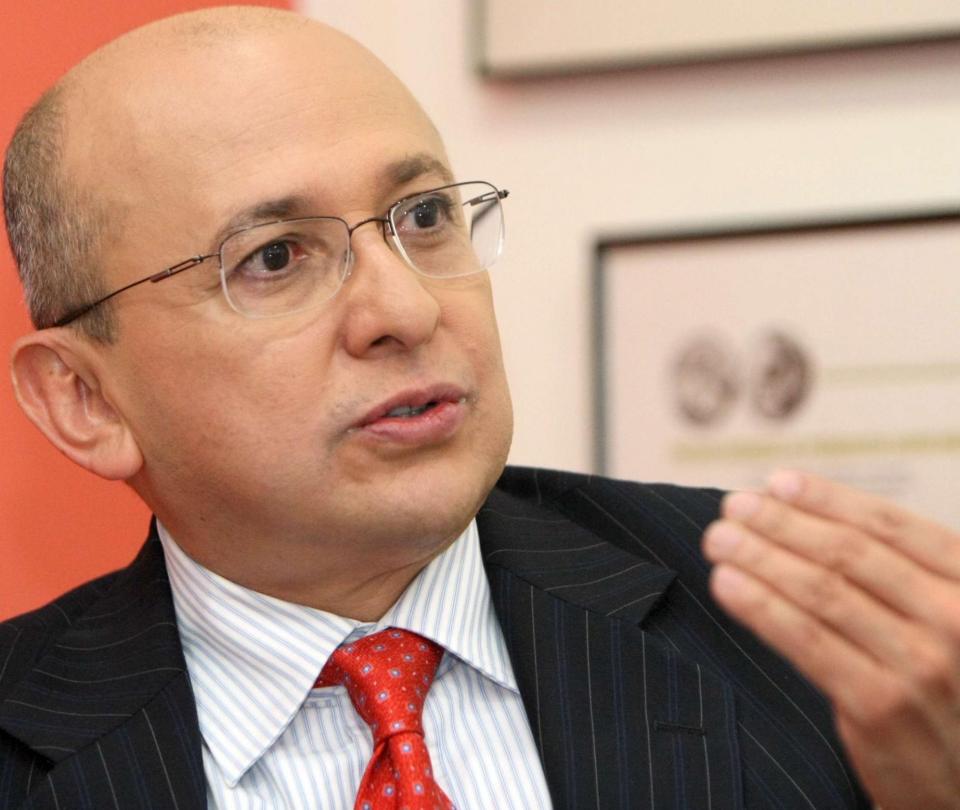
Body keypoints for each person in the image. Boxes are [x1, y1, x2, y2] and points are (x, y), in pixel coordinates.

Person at [1, 7, 957, 810]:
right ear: (85, 400)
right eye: (276, 258)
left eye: (424, 217)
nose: (407, 310)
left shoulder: (805, 642)